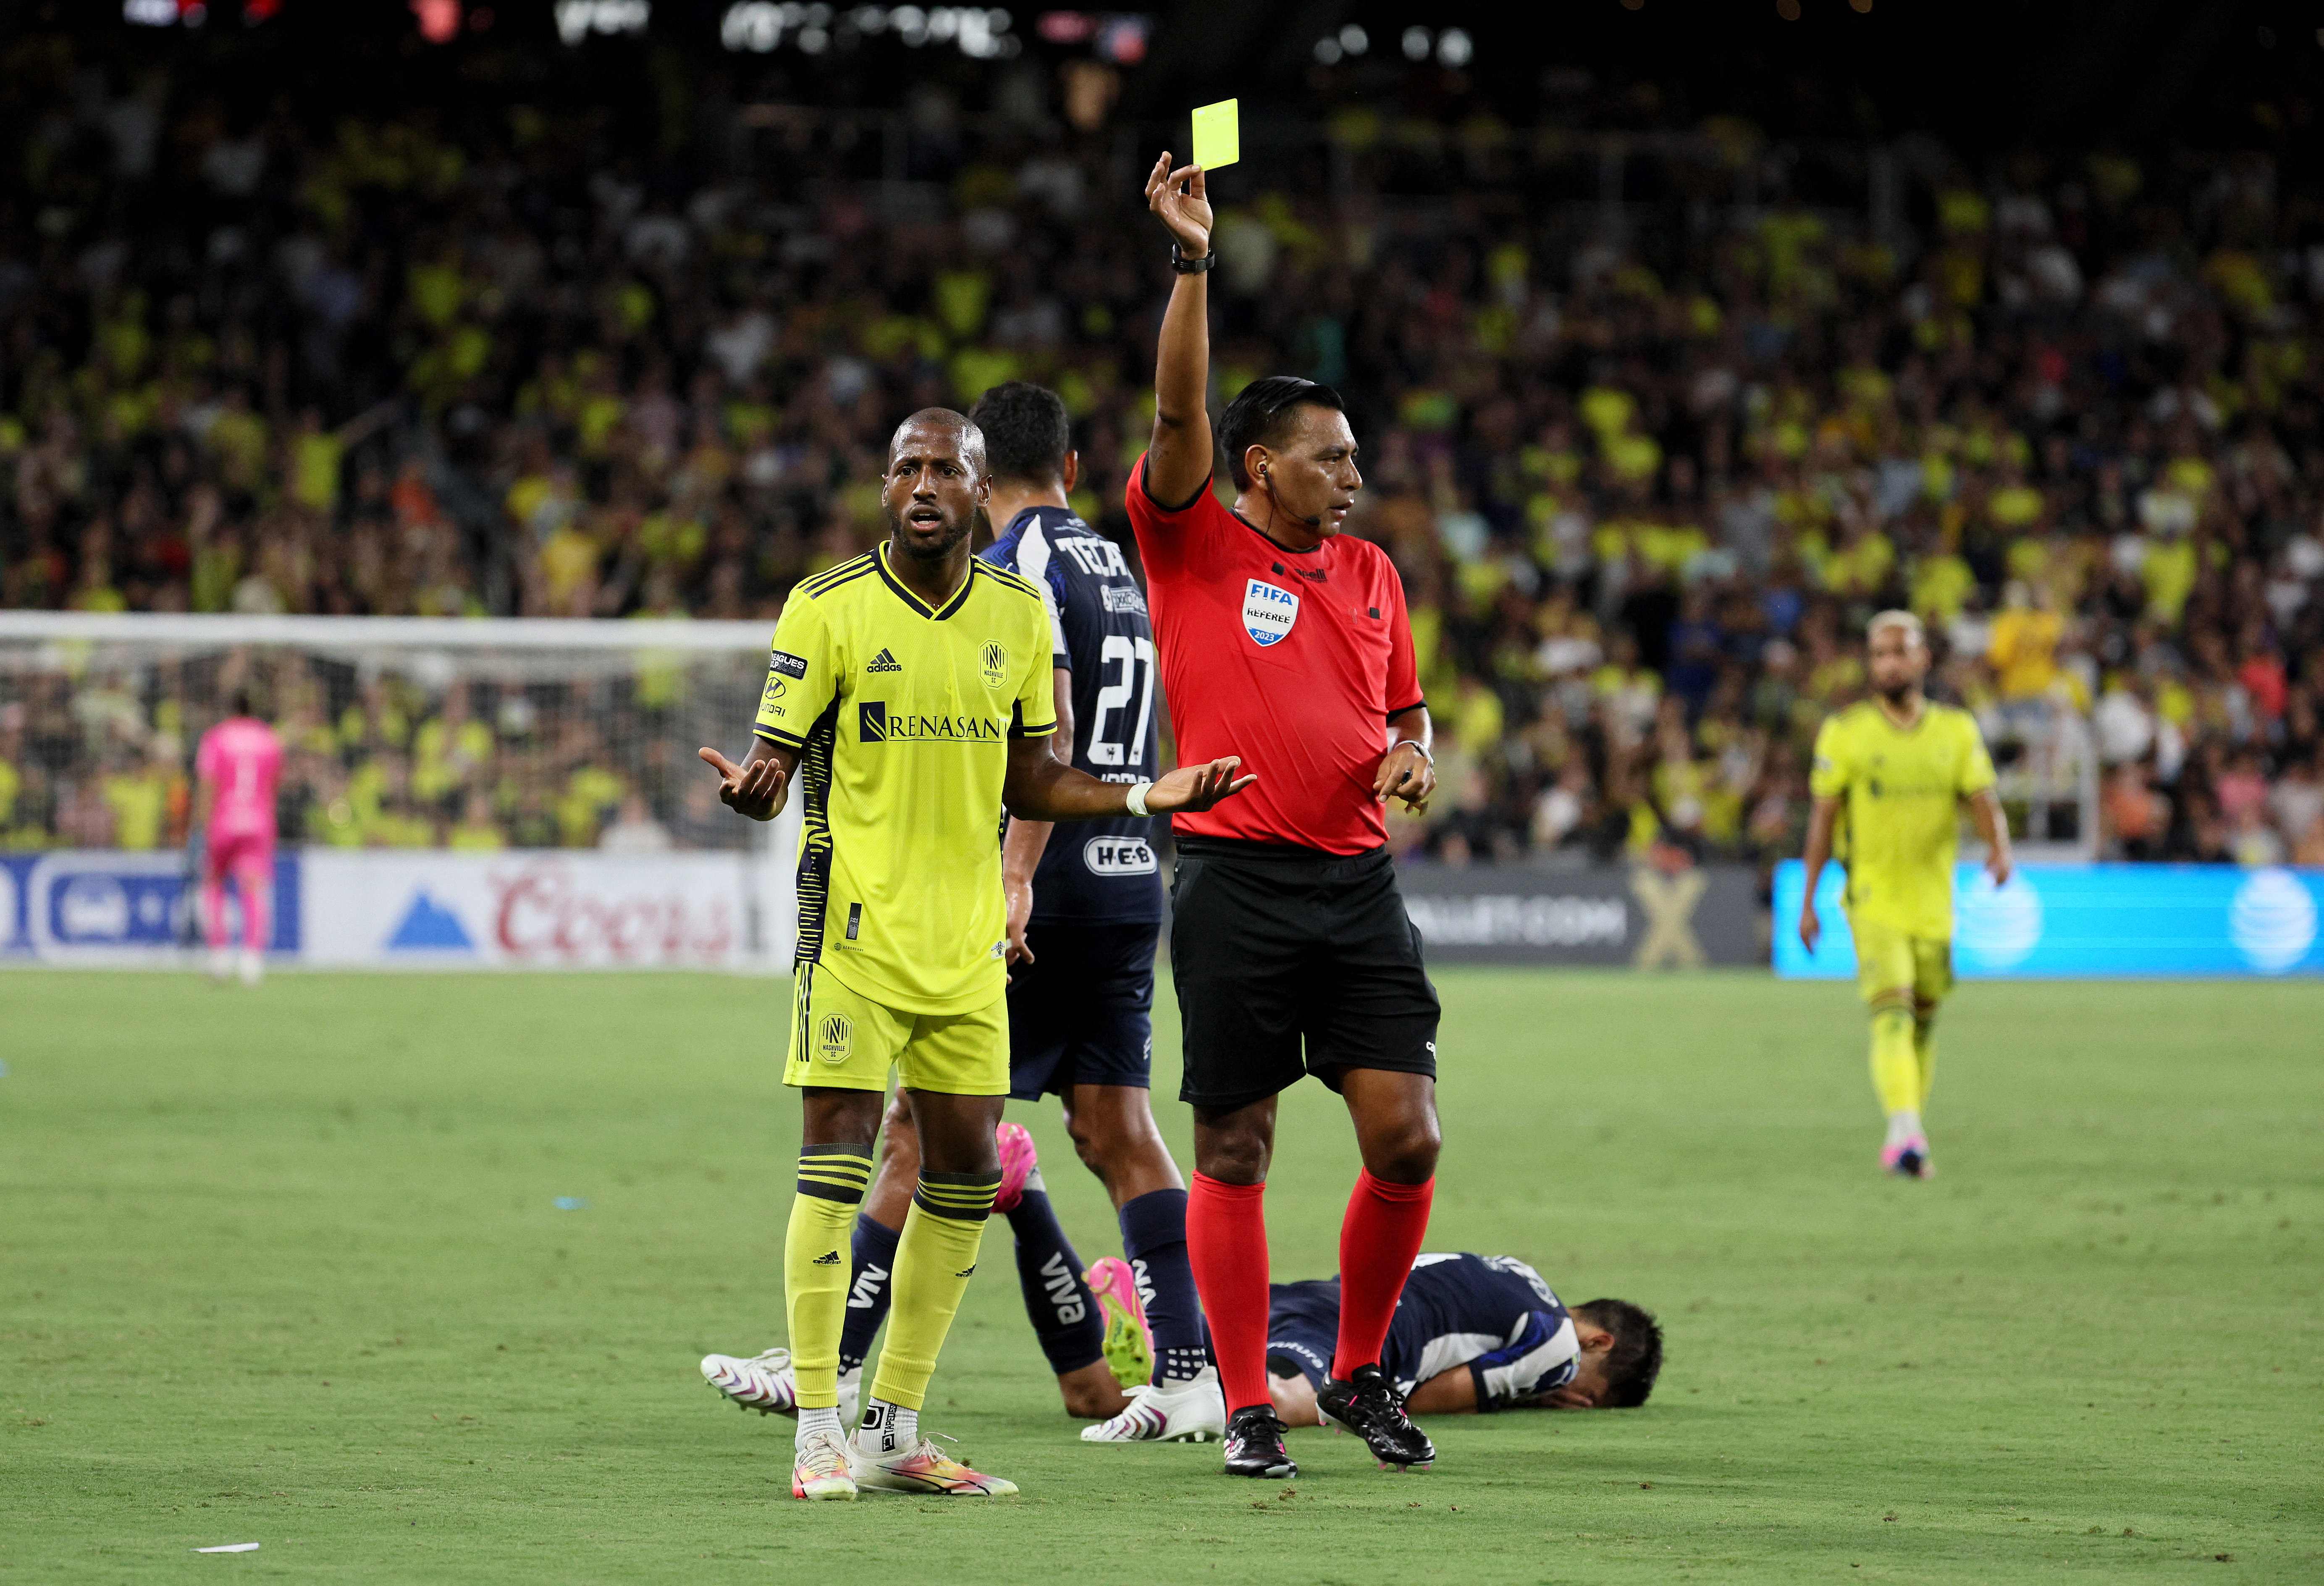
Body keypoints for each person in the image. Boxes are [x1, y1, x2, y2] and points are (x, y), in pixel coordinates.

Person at [694, 409, 1253, 1502]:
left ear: (977, 485)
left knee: (958, 1175)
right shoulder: (825, 607)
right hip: (853, 938)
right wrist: (756, 791)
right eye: (903, 464)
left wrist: (1142, 791)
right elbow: (770, 764)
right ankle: (818, 1424)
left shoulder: (1020, 606)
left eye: (944, 467)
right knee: (841, 1157)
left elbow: (1031, 775)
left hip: (966, 949)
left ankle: (895, 1426)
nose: (921, 482)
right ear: (885, 485)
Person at [1129, 153, 1443, 1479]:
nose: (1352, 478)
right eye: (1329, 460)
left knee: (1406, 1133)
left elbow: (1407, 710)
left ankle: (1363, 1371)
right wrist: (1193, 259)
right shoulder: (1194, 538)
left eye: (1356, 459)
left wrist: (1414, 754)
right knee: (1234, 1139)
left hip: (1355, 884)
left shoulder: (1371, 572)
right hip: (1232, 880)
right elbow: (1176, 407)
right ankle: (1249, 1403)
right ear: (1258, 468)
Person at [1799, 611, 2013, 1180]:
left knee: (1922, 1020)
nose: (1888, 663)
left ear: (1921, 659)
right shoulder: (1845, 732)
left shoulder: (1954, 731)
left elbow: (1982, 798)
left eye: (1898, 652)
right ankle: (1906, 1131)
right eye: (1878, 654)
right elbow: (1822, 821)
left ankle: (1905, 1125)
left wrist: (2000, 848)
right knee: (1890, 1015)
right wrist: (1807, 899)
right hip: (1872, 898)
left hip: (1934, 903)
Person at [1265, 1253, 1662, 1424]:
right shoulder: (1558, 1349)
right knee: (1277, 1403)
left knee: (1221, 1363)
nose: (1571, 1402)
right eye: (1588, 1397)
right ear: (1598, 1342)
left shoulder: (1519, 1272)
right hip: (1366, 1338)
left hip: (1310, 1298)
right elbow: (1417, 1402)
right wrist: (1514, 1397)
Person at [192, 690, 283, 987]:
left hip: (224, 820)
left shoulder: (216, 738)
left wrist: (199, 826)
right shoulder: (269, 738)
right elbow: (273, 784)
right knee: (254, 888)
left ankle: (219, 956)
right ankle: (252, 960)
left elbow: (208, 784)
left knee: (214, 883)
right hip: (258, 821)